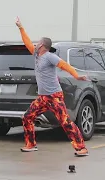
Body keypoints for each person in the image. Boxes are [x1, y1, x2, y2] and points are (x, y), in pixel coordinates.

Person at [15, 16, 89, 157]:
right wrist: (20, 27)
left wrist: (77, 76)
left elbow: (65, 65)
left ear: (42, 45)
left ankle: (81, 148)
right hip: (43, 98)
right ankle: (30, 144)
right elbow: (27, 42)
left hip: (54, 97)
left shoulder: (49, 57)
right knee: (27, 117)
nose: (35, 44)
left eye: (38, 43)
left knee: (65, 122)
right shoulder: (36, 55)